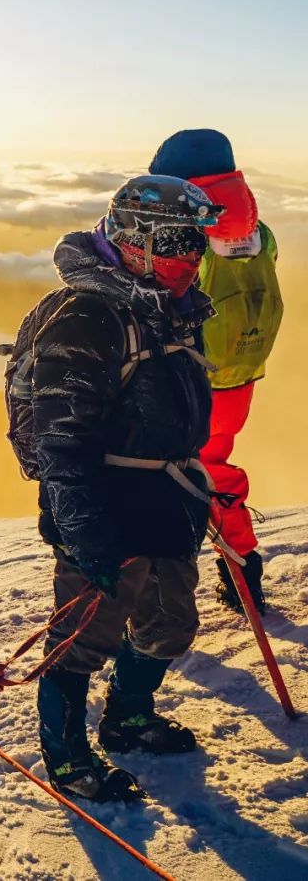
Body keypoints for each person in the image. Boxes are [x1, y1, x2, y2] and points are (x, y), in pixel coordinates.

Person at [29, 176, 220, 802]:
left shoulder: (173, 306)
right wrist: (89, 539)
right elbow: (61, 442)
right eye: (174, 240)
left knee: (169, 621)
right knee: (83, 639)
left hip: (166, 498)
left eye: (197, 241)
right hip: (104, 506)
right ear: (131, 239)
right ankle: (66, 758)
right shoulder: (86, 319)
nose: (189, 255)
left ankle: (128, 717)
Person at [149, 129, 283, 614]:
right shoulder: (258, 230)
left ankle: (154, 594)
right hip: (239, 375)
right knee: (213, 469)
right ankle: (241, 568)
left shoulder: (182, 231)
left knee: (153, 474)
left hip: (186, 377)